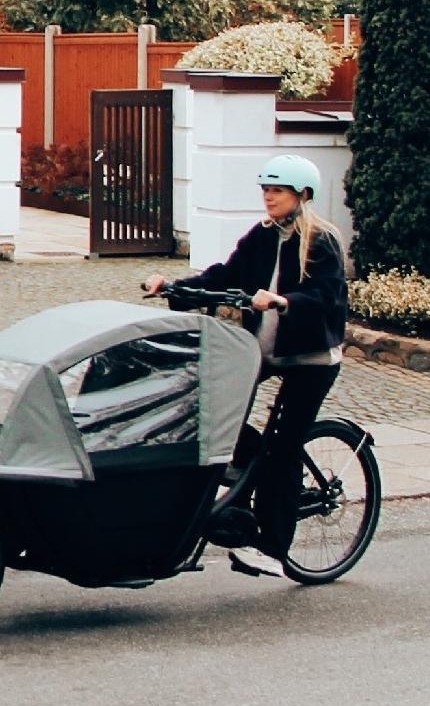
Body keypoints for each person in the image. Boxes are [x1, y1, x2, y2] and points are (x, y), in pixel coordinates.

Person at [144, 153, 347, 579]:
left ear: (302, 195)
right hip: (265, 350)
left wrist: (285, 301)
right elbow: (225, 275)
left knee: (283, 444)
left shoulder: (321, 240)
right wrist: (175, 287)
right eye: (266, 190)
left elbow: (327, 295)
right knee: (217, 411)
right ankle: (246, 474)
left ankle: (272, 546)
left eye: (277, 190)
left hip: (311, 358)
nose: (268, 197)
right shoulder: (263, 234)